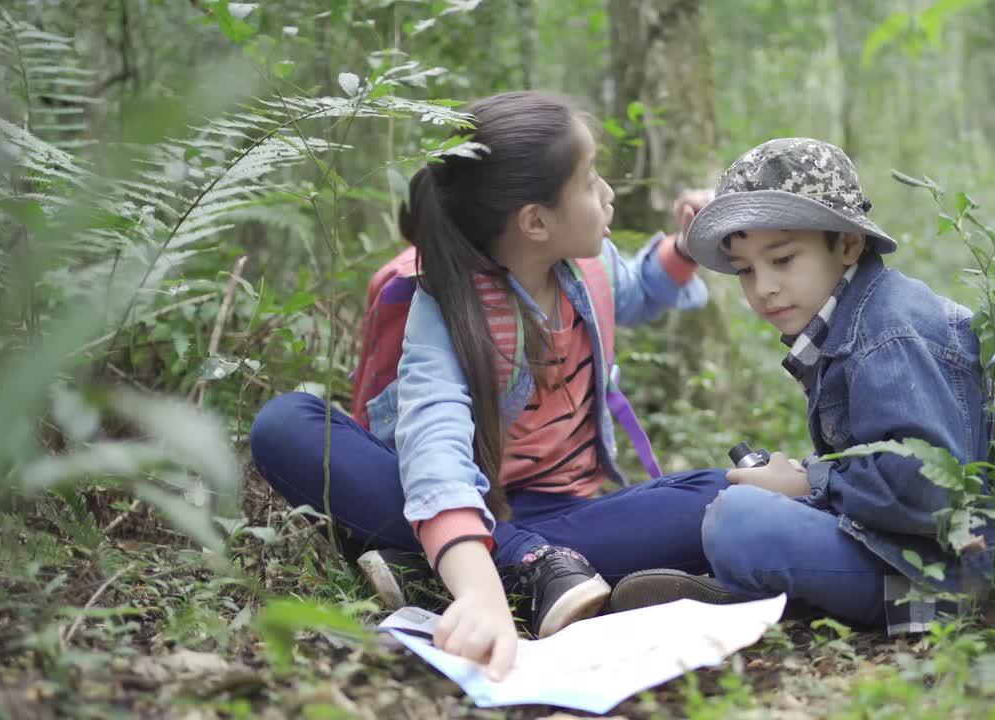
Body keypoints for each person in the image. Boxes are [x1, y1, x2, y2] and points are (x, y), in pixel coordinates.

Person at [249, 91, 728, 678]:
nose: (608, 195)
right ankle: (521, 567)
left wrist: (685, 248)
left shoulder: (592, 270)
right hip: (460, 499)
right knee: (285, 425)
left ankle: (445, 565)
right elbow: (434, 446)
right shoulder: (450, 305)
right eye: (590, 180)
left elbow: (638, 291)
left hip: (568, 515)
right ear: (535, 221)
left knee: (723, 496)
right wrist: (482, 593)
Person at [608, 138, 995, 636]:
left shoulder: (886, 333)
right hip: (906, 547)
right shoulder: (857, 317)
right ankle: (764, 592)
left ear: (847, 244)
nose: (764, 287)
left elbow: (928, 486)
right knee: (735, 501)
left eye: (782, 260)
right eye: (746, 270)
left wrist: (808, 482)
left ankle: (768, 595)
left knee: (738, 521)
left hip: (942, 578)